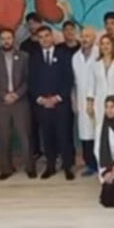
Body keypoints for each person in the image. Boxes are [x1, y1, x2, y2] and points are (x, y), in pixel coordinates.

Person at [0, 28, 35, 180]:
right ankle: (6, 169)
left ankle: (30, 167)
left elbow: (28, 79)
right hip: (1, 103)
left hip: (21, 102)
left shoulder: (24, 56)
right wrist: (4, 95)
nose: (6, 41)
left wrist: (17, 94)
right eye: (3, 38)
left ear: (14, 39)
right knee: (4, 136)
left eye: (9, 38)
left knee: (25, 136)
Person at [29, 25, 76, 180]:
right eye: (41, 37)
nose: (44, 39)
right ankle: (50, 166)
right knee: (47, 136)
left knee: (64, 135)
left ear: (52, 37)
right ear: (38, 40)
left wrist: (57, 98)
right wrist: (41, 99)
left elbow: (69, 79)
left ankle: (68, 167)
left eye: (47, 36)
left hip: (61, 104)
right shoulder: (34, 57)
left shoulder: (64, 55)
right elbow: (31, 81)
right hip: (42, 106)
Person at [71, 25, 98, 176]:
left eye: (88, 36)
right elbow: (74, 82)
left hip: (98, 99)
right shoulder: (75, 57)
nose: (84, 39)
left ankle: (101, 164)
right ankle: (90, 165)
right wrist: (74, 100)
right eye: (82, 36)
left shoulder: (99, 54)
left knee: (98, 133)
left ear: (94, 38)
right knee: (85, 134)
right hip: (81, 100)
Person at [90, 34, 114, 127]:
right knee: (100, 127)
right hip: (100, 100)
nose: (105, 46)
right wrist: (90, 102)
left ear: (113, 45)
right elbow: (91, 85)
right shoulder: (95, 64)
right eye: (102, 44)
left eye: (108, 43)